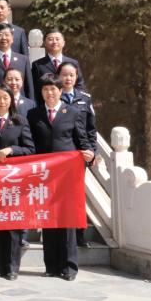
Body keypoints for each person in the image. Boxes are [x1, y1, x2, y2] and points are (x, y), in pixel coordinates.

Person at [28, 74, 95, 280]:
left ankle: (69, 266)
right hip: (44, 174)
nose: (50, 93)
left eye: (53, 89)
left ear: (60, 91)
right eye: (46, 89)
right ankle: (51, 265)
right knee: (48, 219)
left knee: (66, 219)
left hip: (67, 174)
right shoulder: (34, 114)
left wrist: (90, 155)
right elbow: (31, 143)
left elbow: (81, 139)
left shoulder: (72, 112)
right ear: (41, 92)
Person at [0, 84, 35, 280]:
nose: (2, 101)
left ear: (11, 100)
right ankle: (1, 265)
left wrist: (12, 150)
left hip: (14, 181)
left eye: (5, 98)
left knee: (13, 226)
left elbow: (30, 149)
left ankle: (12, 267)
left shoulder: (20, 121)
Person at [59, 61, 97, 248]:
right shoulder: (53, 96)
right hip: (60, 155)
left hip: (79, 155)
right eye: (64, 75)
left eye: (71, 75)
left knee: (77, 196)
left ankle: (79, 235)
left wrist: (93, 152)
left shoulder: (85, 99)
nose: (67, 78)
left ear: (76, 77)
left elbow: (91, 128)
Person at [0, 23, 34, 103]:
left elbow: (29, 86)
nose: (4, 38)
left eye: (7, 35)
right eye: (0, 35)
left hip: (19, 104)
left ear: (12, 39)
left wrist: (30, 104)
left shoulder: (23, 60)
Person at [32, 28, 86, 98]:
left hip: (70, 102)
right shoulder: (38, 65)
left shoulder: (73, 63)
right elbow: (35, 88)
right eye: (50, 39)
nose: (54, 42)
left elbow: (80, 85)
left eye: (57, 39)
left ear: (63, 43)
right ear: (44, 43)